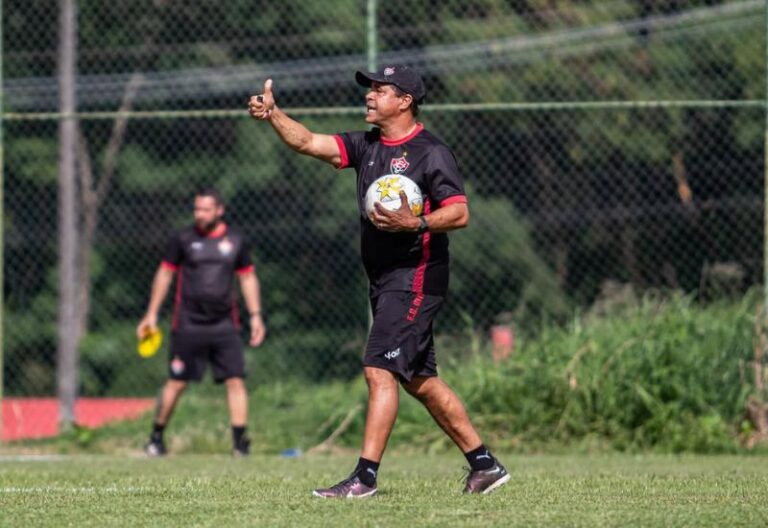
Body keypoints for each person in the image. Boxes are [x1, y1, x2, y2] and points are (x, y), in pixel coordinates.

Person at [248, 65, 508, 497]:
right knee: (417, 380)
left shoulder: (431, 153)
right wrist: (274, 115)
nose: (369, 96)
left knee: (379, 368)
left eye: (380, 90)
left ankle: (364, 477)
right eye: (369, 89)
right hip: (385, 278)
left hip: (416, 277)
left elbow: (459, 213)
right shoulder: (366, 145)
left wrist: (417, 222)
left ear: (404, 100)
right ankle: (485, 465)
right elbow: (309, 142)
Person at [137, 188, 266, 457]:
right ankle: (156, 438)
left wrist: (255, 316)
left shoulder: (236, 241)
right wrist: (151, 314)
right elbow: (164, 274)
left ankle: (240, 444)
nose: (200, 214)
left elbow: (247, 278)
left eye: (205, 209)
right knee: (176, 382)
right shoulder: (183, 239)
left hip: (224, 324)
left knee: (235, 381)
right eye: (196, 209)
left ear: (219, 210)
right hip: (188, 323)